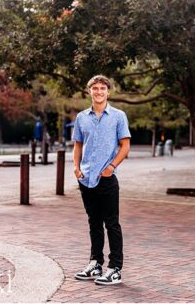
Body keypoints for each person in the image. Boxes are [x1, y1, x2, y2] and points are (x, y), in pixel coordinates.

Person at [72, 75, 130, 286]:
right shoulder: (81, 118)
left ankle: (115, 269)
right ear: (89, 91)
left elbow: (125, 145)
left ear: (108, 92)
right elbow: (78, 145)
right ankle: (95, 263)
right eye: (95, 88)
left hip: (107, 179)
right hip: (86, 179)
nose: (98, 91)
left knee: (111, 223)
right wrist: (76, 168)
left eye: (102, 88)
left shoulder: (118, 116)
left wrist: (112, 167)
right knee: (93, 222)